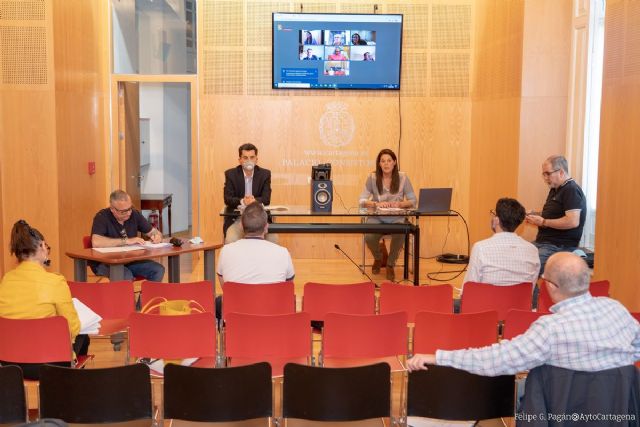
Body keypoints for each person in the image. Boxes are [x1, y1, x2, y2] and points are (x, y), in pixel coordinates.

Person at [407, 252, 640, 375]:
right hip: (618, 413)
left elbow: (496, 360)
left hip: (561, 413)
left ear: (550, 287)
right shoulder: (617, 309)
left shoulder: (550, 329)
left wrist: (439, 358)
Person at [0, 220, 89, 379]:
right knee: (83, 336)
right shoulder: (55, 282)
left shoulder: (6, 280)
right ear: (41, 246)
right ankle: (71, 388)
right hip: (50, 363)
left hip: (10, 363)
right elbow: (73, 327)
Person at [216, 202, 295, 319]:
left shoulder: (225, 251)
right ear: (266, 227)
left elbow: (226, 288)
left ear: (241, 226)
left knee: (218, 302)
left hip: (238, 319)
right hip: (272, 318)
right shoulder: (283, 252)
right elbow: (287, 288)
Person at [359, 149, 417, 281]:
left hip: (396, 218)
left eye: (389, 161)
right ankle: (379, 258)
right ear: (379, 164)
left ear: (394, 162)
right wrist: (376, 204)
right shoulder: (372, 178)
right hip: (377, 218)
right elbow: (361, 200)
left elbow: (413, 201)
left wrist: (400, 204)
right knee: (369, 236)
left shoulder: (403, 178)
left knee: (401, 233)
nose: (386, 164)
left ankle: (390, 264)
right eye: (383, 161)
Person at [525, 155, 586, 273]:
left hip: (559, 246)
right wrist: (534, 214)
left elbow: (572, 221)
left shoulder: (571, 189)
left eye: (548, 174)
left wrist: (543, 222)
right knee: (516, 259)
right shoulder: (555, 189)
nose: (545, 178)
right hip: (544, 243)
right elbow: (552, 214)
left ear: (561, 172)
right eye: (544, 174)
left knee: (527, 268)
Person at [463, 198, 540, 287]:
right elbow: (531, 287)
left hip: (488, 296)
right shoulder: (533, 250)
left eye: (493, 214)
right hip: (519, 297)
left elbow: (469, 287)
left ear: (496, 220)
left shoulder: (480, 248)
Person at [90, 190, 165, 282]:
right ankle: (124, 292)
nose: (129, 213)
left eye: (130, 208)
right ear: (112, 209)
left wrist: (157, 236)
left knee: (158, 270)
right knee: (126, 276)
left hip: (129, 260)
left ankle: (146, 292)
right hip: (105, 263)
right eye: (124, 211)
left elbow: (153, 232)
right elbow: (96, 242)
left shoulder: (134, 214)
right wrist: (125, 241)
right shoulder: (102, 217)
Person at [223, 143, 276, 244]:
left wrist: (254, 201)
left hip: (260, 219)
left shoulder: (265, 174)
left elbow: (266, 199)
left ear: (256, 159)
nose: (249, 161)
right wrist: (243, 201)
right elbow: (228, 199)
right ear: (240, 160)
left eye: (252, 157)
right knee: (231, 239)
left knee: (273, 239)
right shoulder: (231, 174)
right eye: (245, 158)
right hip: (238, 219)